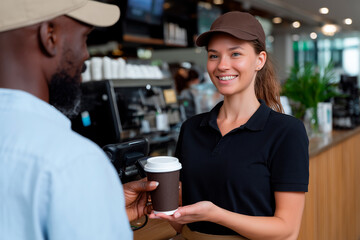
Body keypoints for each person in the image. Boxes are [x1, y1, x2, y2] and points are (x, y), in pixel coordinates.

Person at [0, 0, 157, 239]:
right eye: (84, 38)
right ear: (49, 36)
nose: (86, 55)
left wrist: (102, 207)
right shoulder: (73, 161)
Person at [150, 11, 309, 240]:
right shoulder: (192, 129)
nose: (222, 65)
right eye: (214, 56)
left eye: (235, 54)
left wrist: (216, 215)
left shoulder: (286, 132)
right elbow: (182, 213)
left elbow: (287, 228)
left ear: (259, 60)